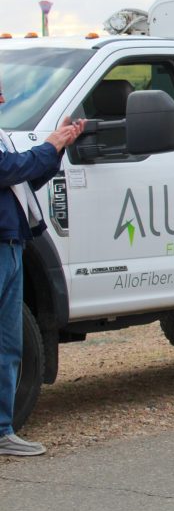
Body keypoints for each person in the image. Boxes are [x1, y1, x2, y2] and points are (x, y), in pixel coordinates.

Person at [1, 78, 85, 457]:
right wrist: (49, 145)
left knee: (9, 344)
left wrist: (60, 147)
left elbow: (24, 178)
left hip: (13, 246)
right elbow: (8, 170)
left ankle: (3, 430)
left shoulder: (2, 136)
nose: (3, 97)